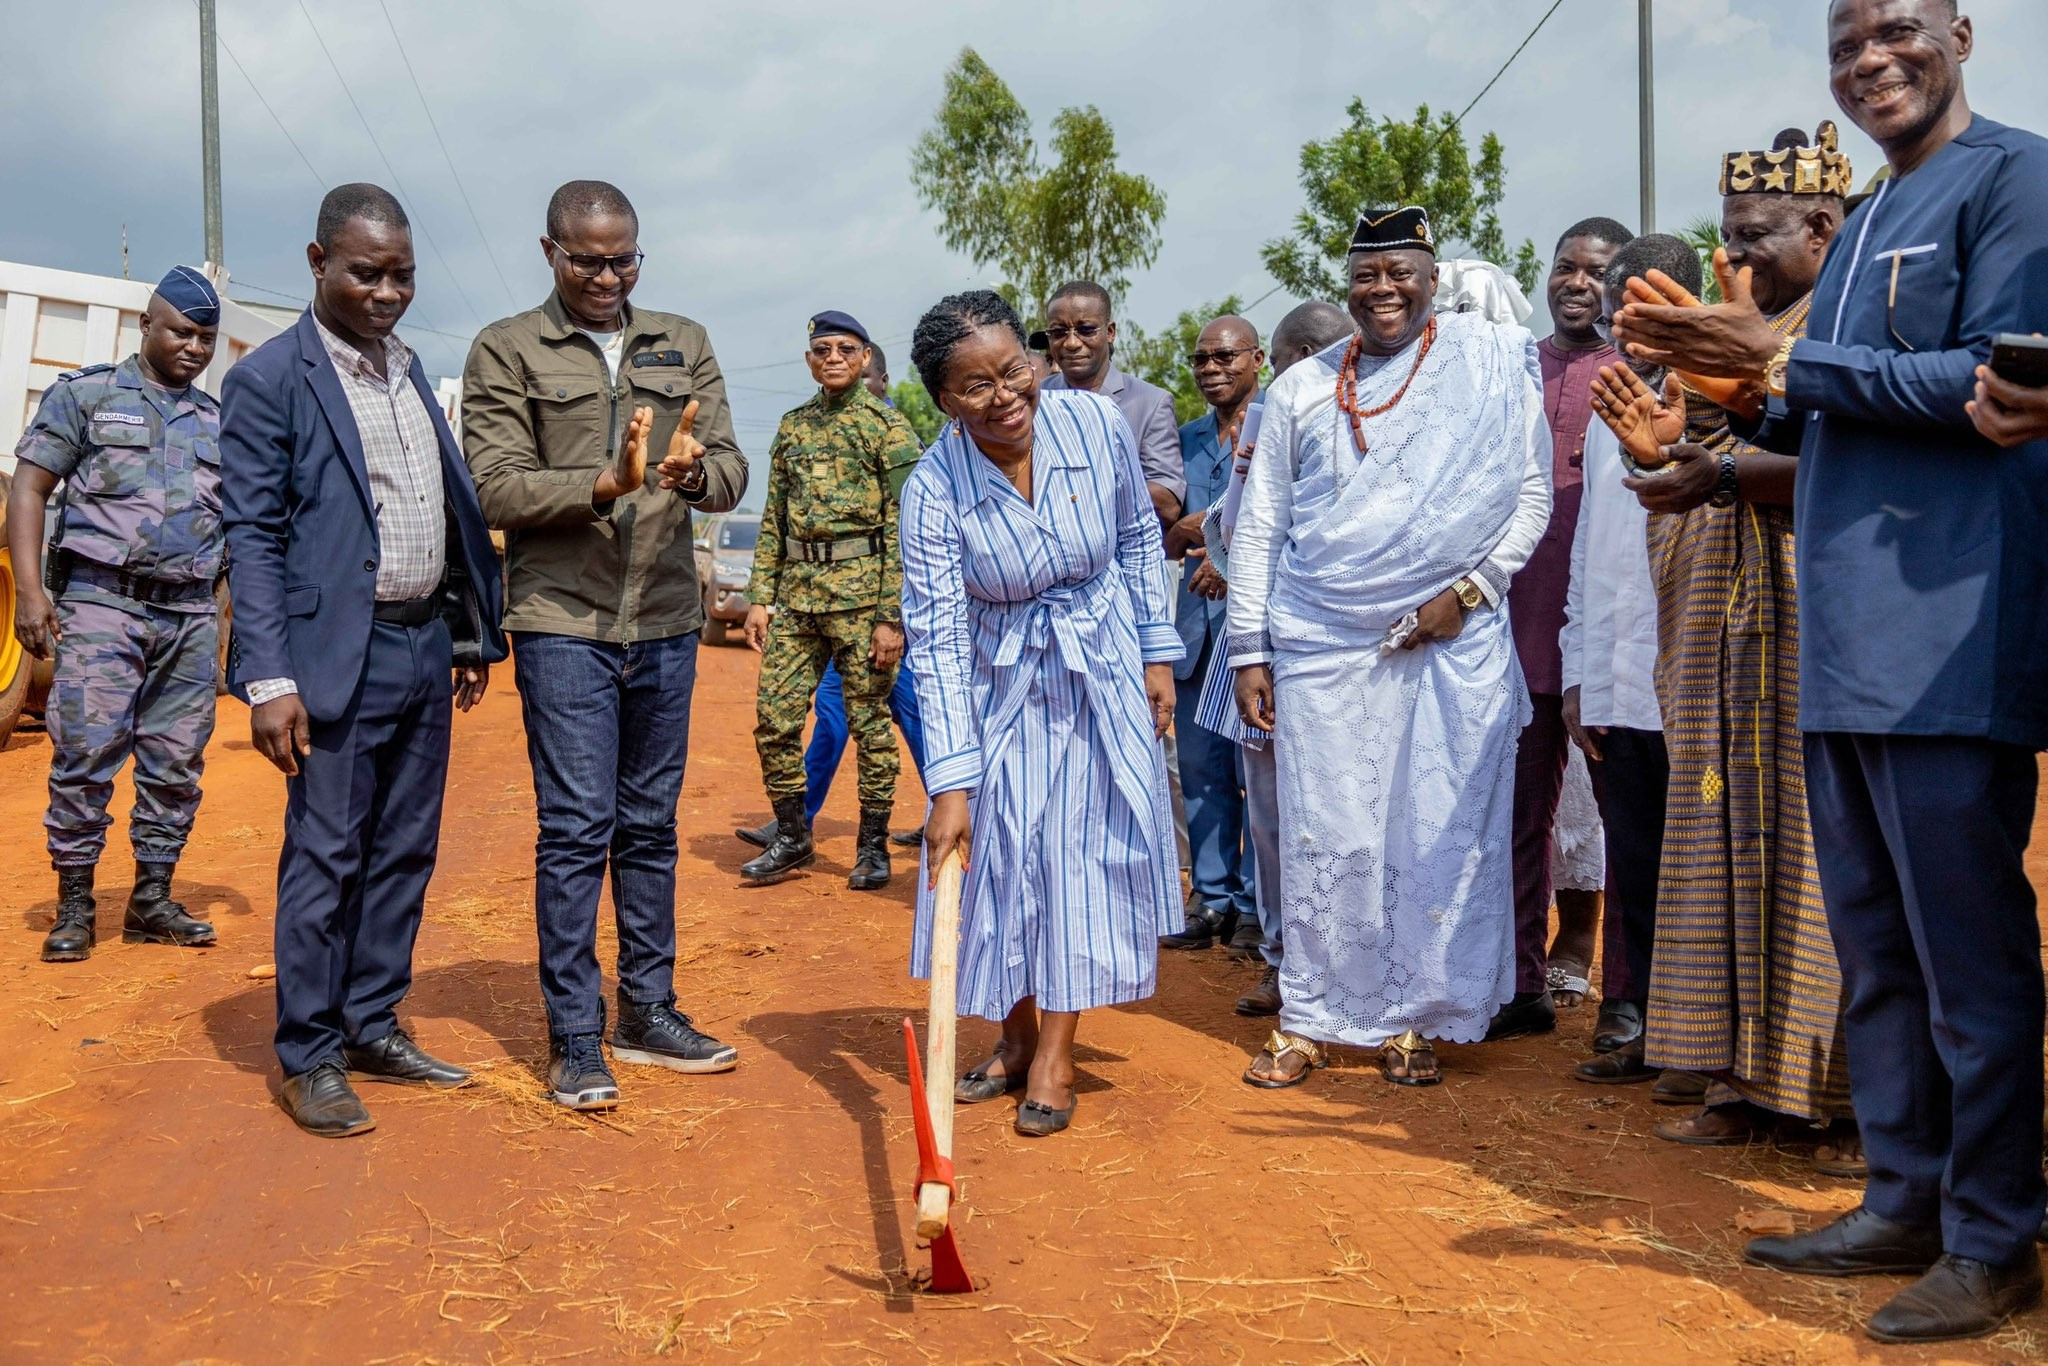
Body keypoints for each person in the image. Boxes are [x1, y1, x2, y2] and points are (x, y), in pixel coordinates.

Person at [1615, 1, 2048, 1340]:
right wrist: (1731, 409)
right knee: (1877, 950)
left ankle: (1996, 1234)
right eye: (1846, 42)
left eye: (1897, 30)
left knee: (1967, 960)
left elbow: (1998, 380)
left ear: (1962, 34)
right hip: (1847, 639)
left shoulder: (2018, 179)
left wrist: (1786, 358)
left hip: (1952, 635)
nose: (1871, 58)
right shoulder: (1860, 223)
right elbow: (1823, 403)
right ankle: (1903, 1195)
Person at [1229, 207, 1552, 1089]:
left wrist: (1467, 593)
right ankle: (1310, 1016)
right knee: (1329, 835)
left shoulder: (1490, 365)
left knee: (1433, 837)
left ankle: (1416, 1018)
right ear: (1348, 284)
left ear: (1432, 276)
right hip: (1323, 642)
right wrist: (1248, 650)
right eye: (1366, 276)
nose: (1383, 292)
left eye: (1399, 273)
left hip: (1452, 640)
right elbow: (1259, 529)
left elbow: (1530, 498)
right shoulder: (1299, 390)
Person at [220, 185, 505, 1137]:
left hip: (424, 645)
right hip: (333, 658)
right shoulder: (271, 379)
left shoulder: (411, 370)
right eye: (366, 272)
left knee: (404, 850)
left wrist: (466, 629)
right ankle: (309, 1052)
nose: (387, 292)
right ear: (317, 262)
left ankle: (374, 1023)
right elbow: (252, 537)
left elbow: (441, 509)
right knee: (328, 853)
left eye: (402, 275)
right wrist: (270, 679)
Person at [462, 180, 747, 1111]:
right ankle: (576, 1035)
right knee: (579, 828)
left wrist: (696, 472)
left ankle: (648, 1010)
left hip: (664, 618)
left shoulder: (684, 341)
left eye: (623, 258)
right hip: (564, 624)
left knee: (651, 829)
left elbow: (736, 469)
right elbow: (496, 487)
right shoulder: (507, 348)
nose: (606, 275)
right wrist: (604, 483)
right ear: (549, 251)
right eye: (587, 259)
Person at [1617, 127, 1859, 1161]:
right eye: (1724, 236)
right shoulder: (1732, 326)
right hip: (1724, 629)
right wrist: (1674, 449)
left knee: (1820, 854)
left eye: (1754, 237)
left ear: (1820, 226)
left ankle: (1841, 1098)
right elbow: (1714, 457)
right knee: (1718, 831)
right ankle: (1738, 1076)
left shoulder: (1847, 329)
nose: (1733, 259)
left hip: (1820, 630)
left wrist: (1724, 456)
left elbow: (1854, 461)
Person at [901, 289, 1181, 1139]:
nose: (1006, 394)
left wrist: (1155, 650)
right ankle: (1016, 1034)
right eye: (976, 386)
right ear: (945, 400)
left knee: (1078, 858)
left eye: (1014, 368)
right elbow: (939, 638)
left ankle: (1057, 1050)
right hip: (1000, 684)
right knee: (1006, 858)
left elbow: (1137, 534)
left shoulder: (1094, 426)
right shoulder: (932, 490)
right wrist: (950, 782)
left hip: (1101, 669)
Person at [9, 267, 228, 962]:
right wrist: (31, 593)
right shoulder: (88, 395)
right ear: (146, 325)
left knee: (175, 762)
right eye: (181, 332)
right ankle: (75, 907)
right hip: (102, 603)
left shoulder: (219, 423)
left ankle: (151, 900)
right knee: (84, 755)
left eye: (205, 337)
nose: (194, 347)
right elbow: (30, 487)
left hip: (190, 614)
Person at [1490, 217, 1634, 1044]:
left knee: (1627, 813)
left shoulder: (1643, 372)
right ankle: (1519, 980)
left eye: (1597, 270)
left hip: (1616, 622)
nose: (1578, 282)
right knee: (1519, 812)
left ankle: (1628, 997)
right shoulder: (1512, 369)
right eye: (1566, 267)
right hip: (1517, 615)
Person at [1189, 299, 1353, 1016]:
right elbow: (1232, 527)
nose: (1303, 374)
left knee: (1348, 815)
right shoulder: (1264, 427)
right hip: (1267, 648)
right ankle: (1283, 959)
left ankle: (1352, 965)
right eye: (1295, 360)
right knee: (1272, 815)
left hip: (1351, 652)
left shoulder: (1378, 419)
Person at [1561, 236, 1699, 1086]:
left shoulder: (1715, 403)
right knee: (1634, 853)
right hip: (1615, 678)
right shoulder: (1616, 403)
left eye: (1639, 303)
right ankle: (1630, 1009)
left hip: (1689, 673)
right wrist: (1580, 673)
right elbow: (1588, 552)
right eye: (1616, 305)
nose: (1620, 319)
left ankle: (1696, 1030)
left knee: (1700, 859)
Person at [738, 311, 922, 887]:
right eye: (822, 348)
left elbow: (907, 528)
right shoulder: (792, 427)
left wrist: (892, 617)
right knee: (774, 718)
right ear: (810, 359)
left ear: (866, 358)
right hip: (798, 599)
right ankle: (793, 836)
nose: (834, 357)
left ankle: (871, 848)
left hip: (864, 602)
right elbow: (774, 519)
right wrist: (759, 597)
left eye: (846, 348)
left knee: (869, 726)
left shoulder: (889, 430)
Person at [1038, 281, 1193, 879]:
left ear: (1110, 333)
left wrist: (1075, 506)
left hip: (1124, 600)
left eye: (1085, 329)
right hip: (1045, 603)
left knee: (1134, 739)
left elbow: (1167, 499)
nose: (1072, 342)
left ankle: (1143, 869)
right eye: (1059, 331)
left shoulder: (1147, 403)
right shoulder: (1032, 396)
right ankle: (1063, 867)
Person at [1157, 315, 1263, 953]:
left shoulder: (1277, 428)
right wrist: (1188, 528)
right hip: (1195, 631)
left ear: (1256, 359)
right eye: (1200, 359)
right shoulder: (1183, 440)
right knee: (1200, 773)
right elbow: (1166, 530)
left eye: (1224, 357)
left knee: (1257, 772)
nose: (1211, 369)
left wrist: (1220, 532)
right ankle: (1213, 898)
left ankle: (1254, 903)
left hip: (1255, 632)